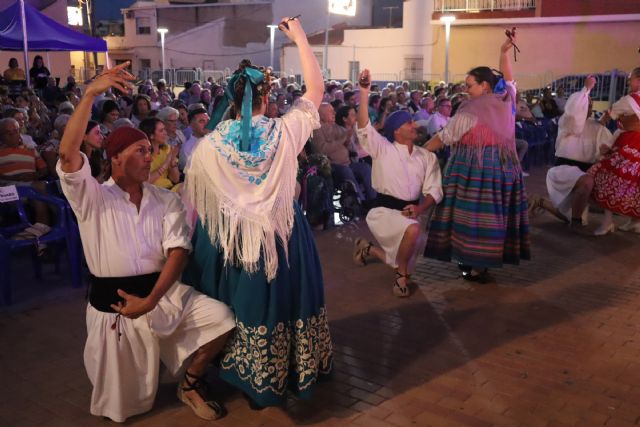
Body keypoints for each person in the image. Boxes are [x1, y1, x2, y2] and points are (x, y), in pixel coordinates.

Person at [56, 63, 235, 423]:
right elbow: (67, 156)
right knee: (121, 408)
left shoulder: (163, 199)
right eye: (139, 150)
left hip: (161, 296)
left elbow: (179, 251)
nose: (148, 155)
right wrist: (90, 94)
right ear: (116, 157)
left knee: (221, 318)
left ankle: (190, 382)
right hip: (117, 307)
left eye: (148, 149)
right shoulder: (92, 198)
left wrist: (151, 300)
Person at [182, 17, 333, 409]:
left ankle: (241, 376)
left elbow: (199, 197)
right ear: (265, 99)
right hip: (283, 235)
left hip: (232, 240)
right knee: (287, 299)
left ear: (231, 101)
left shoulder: (209, 145)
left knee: (238, 303)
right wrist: (299, 36)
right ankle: (285, 373)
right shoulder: (285, 131)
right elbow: (316, 90)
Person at [424, 34, 530, 283]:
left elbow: (445, 137)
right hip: (505, 169)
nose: (466, 89)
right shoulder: (507, 100)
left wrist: (419, 151)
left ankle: (471, 263)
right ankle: (483, 263)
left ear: (485, 86)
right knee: (496, 217)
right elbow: (509, 79)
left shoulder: (470, 110)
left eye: (470, 85)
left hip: (475, 170)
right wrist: (504, 52)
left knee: (471, 217)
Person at [352, 71, 443, 297]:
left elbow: (434, 190)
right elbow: (363, 128)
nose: (413, 125)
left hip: (412, 212)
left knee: (406, 245)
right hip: (383, 211)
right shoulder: (383, 148)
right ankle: (400, 278)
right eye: (407, 123)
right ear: (396, 131)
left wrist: (420, 208)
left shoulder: (426, 157)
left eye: (412, 122)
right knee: (412, 232)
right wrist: (364, 92)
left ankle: (369, 249)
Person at [528, 76, 613, 227]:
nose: (587, 107)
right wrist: (586, 90)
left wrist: (604, 151)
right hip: (564, 169)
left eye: (589, 105)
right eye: (585, 103)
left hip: (586, 172)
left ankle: (540, 201)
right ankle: (575, 223)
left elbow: (603, 153)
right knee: (586, 183)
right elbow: (574, 115)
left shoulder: (598, 127)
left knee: (598, 185)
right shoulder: (566, 122)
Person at [588, 67, 640, 235]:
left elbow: (610, 113)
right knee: (635, 184)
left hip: (630, 144)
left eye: (630, 79)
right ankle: (635, 222)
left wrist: (599, 126)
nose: (628, 82)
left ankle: (608, 222)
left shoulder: (630, 100)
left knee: (603, 174)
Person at [139, 117, 181, 190]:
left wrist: (172, 160)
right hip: (152, 192)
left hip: (168, 189)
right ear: (151, 135)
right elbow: (144, 182)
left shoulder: (167, 149)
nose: (165, 133)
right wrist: (165, 164)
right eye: (161, 131)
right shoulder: (141, 155)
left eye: (164, 129)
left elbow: (175, 179)